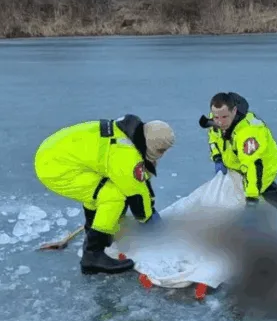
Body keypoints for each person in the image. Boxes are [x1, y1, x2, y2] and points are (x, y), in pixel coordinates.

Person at [34, 114, 175, 275]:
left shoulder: (126, 134)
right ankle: (92, 255)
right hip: (56, 168)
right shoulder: (126, 155)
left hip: (56, 153)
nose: (162, 154)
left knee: (97, 192)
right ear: (152, 143)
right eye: (161, 150)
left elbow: (137, 181)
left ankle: (95, 230)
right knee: (113, 196)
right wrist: (151, 222)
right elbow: (137, 195)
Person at [198, 92, 277, 216]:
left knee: (254, 202)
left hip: (263, 163)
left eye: (224, 117)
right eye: (216, 117)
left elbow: (253, 167)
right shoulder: (218, 117)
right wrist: (217, 157)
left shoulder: (248, 133)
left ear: (234, 111)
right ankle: (269, 190)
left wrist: (251, 200)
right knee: (236, 192)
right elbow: (213, 138)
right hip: (239, 160)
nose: (219, 122)